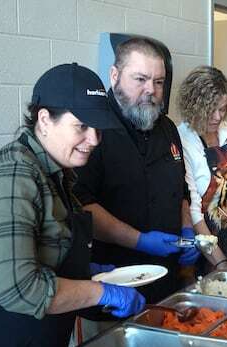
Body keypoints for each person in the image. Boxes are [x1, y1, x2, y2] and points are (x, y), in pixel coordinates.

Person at [0, 63, 145, 347]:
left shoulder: (55, 173)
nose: (94, 140)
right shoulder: (12, 175)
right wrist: (100, 292)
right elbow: (21, 290)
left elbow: (43, 252)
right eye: (82, 126)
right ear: (45, 119)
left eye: (98, 129)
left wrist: (87, 270)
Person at [74, 38, 198, 304]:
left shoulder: (167, 128)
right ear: (114, 75)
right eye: (140, 79)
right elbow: (81, 205)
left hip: (168, 281)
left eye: (159, 82)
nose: (150, 90)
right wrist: (139, 241)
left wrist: (187, 230)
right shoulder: (91, 131)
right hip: (114, 285)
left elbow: (181, 191)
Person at [177, 66, 227, 270]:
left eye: (223, 108)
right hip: (207, 253)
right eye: (211, 110)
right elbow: (195, 212)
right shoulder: (182, 139)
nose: (218, 117)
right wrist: (220, 262)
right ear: (194, 106)